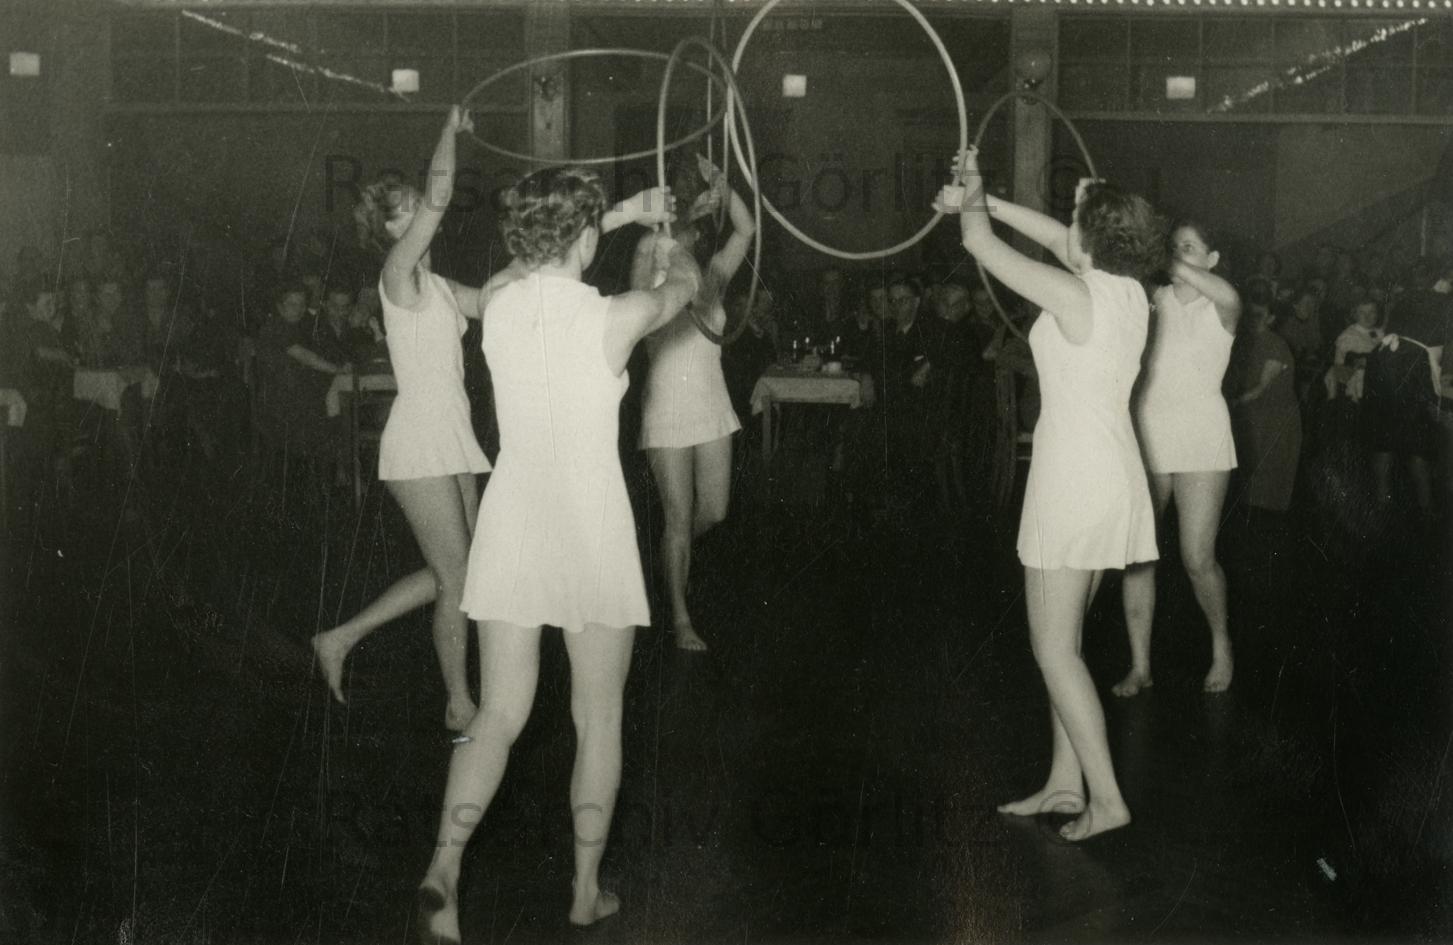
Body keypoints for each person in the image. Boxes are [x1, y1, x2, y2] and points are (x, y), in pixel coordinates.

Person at [413, 164, 698, 942]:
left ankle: (444, 864)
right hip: (590, 523)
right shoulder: (617, 315)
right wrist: (668, 238)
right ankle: (583, 891)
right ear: (585, 237)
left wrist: (615, 216)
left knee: (499, 712)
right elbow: (682, 290)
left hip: (514, 518)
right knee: (597, 717)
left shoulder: (500, 302)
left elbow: (529, 265)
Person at [937, 148, 1166, 841]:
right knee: (1065, 644)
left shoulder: (1075, 294)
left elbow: (979, 245)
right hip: (1112, 474)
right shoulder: (1128, 292)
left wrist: (970, 204)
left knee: (1054, 650)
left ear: (1091, 237)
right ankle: (1066, 783)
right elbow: (1058, 240)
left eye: (1074, 217)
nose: (1065, 226)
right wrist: (982, 193)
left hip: (1072, 478)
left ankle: (1107, 799)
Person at [632, 153, 755, 652]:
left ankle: (669, 559)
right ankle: (680, 618)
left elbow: (746, 230)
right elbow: (639, 293)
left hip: (712, 405)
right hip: (666, 407)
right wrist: (677, 224)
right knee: (679, 518)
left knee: (715, 511)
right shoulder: (651, 260)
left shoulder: (713, 276)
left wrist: (724, 184)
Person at [1115, 222, 1240, 698]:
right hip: (1148, 430)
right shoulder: (1152, 299)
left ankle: (1221, 645)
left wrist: (1155, 253)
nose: (1178, 254)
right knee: (1139, 556)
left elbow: (1224, 293)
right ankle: (1140, 665)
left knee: (1196, 557)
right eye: (1173, 247)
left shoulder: (1224, 303)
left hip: (1203, 435)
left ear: (1212, 259)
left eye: (1189, 247)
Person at [1229, 285, 1302, 514]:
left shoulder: (1275, 344)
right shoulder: (1242, 342)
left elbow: (1260, 388)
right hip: (1251, 415)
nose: (1253, 320)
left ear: (1271, 318)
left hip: (1274, 418)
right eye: (1249, 314)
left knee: (1266, 484)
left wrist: (1232, 404)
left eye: (1259, 315)